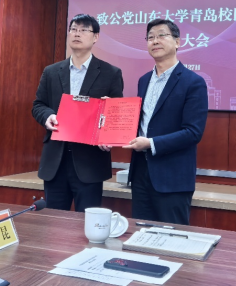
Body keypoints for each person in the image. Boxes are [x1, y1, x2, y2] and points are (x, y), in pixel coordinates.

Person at [32, 14, 124, 211]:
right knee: (53, 221)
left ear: (95, 37)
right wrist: (48, 116)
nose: (77, 34)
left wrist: (108, 133)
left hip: (90, 163)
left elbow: (116, 113)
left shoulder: (110, 73)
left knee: (87, 221)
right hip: (55, 161)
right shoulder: (51, 71)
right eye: (73, 29)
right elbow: (38, 105)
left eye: (83, 30)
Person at [124, 19, 208, 225]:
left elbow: (193, 132)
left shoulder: (193, 82)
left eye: (162, 35)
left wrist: (151, 143)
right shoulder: (144, 80)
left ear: (177, 42)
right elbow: (142, 122)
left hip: (172, 179)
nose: (155, 41)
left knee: (172, 237)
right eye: (150, 37)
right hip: (140, 174)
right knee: (141, 235)